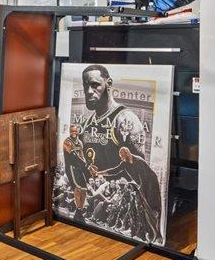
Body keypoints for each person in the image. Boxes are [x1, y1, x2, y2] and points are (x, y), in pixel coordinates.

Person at [62, 64, 163, 242]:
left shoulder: (125, 119)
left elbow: (143, 172)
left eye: (95, 85)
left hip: (125, 193)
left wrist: (128, 162)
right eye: (86, 86)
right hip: (97, 195)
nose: (89, 91)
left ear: (108, 83)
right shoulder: (88, 123)